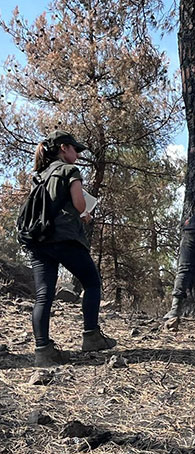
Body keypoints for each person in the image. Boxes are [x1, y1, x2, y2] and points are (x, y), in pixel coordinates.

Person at [23, 130, 117, 367]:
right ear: (64, 148)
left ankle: (43, 350)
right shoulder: (69, 171)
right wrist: (85, 214)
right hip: (64, 238)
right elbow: (79, 204)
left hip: (38, 239)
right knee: (92, 283)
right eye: (75, 149)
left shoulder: (40, 174)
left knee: (44, 294)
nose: (77, 154)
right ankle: (91, 336)